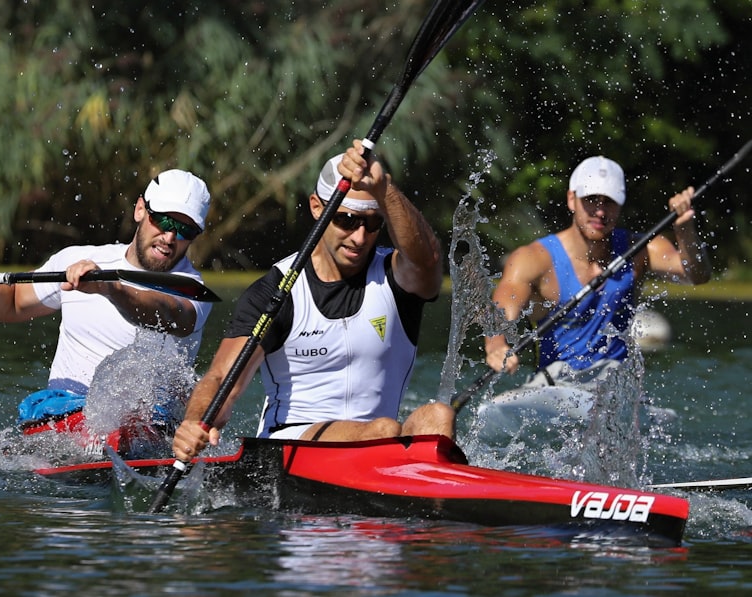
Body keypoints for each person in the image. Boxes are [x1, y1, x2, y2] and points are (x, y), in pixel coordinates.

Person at [171, 140, 454, 463]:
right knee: (384, 430)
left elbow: (429, 260)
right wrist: (195, 424)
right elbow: (222, 378)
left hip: (379, 442)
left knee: (438, 417)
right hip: (290, 445)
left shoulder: (396, 278)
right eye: (347, 220)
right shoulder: (276, 291)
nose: (359, 238)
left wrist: (383, 187)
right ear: (318, 208)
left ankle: (438, 506)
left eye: (372, 223)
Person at [0, 169, 215, 441]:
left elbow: (172, 315)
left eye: (184, 231)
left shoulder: (191, 289)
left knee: (139, 419)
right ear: (140, 209)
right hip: (64, 412)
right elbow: (12, 304)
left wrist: (110, 289)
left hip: (147, 424)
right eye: (164, 221)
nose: (169, 238)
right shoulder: (77, 259)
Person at [483, 155, 712, 385]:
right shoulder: (533, 259)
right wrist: (496, 345)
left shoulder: (640, 250)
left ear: (620, 205)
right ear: (572, 199)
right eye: (591, 199)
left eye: (609, 201)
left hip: (614, 387)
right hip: (553, 386)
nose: (600, 212)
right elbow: (501, 309)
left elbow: (696, 275)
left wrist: (684, 228)